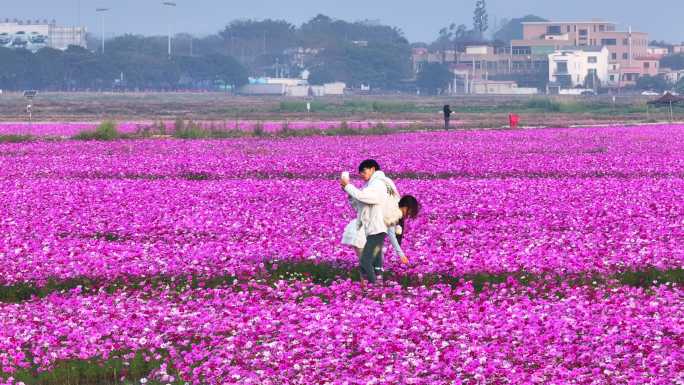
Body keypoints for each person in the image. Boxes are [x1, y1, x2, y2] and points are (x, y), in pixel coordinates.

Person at [341, 159, 410, 284]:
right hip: (383, 222)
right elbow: (361, 202)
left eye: (363, 171)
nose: (361, 174)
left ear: (372, 169)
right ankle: (375, 281)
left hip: (376, 224)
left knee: (366, 259)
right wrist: (350, 193)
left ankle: (373, 286)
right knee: (374, 257)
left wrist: (348, 186)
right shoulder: (386, 181)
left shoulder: (377, 183)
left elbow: (364, 198)